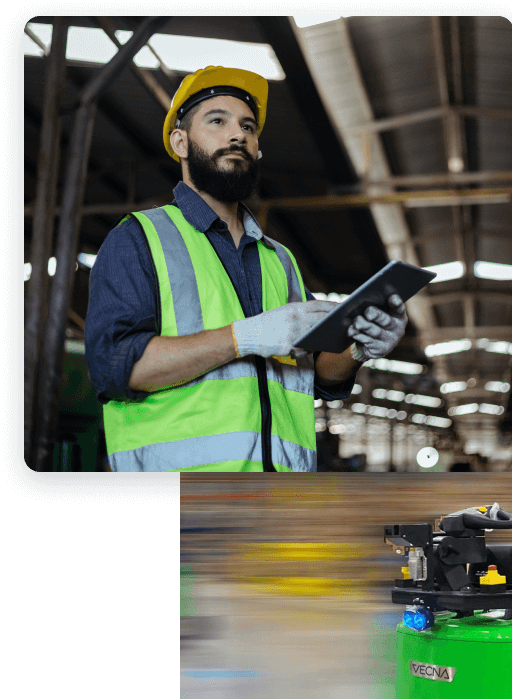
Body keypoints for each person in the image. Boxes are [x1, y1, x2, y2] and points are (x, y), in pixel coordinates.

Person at [84, 65, 407, 472]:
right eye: (217, 121)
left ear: (257, 150)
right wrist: (241, 338)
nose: (237, 134)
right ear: (180, 142)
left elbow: (317, 374)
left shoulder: (280, 260)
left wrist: (358, 346)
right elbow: (115, 366)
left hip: (280, 494)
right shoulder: (139, 238)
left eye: (248, 127)